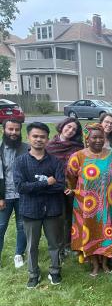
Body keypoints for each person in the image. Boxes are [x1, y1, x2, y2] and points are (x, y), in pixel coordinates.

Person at [66, 123, 112, 276]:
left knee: (107, 230)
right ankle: (94, 264)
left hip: (109, 202)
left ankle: (105, 262)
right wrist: (75, 190)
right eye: (94, 137)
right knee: (90, 231)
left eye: (101, 137)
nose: (98, 140)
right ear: (87, 138)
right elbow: (70, 178)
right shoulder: (78, 157)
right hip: (86, 204)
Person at [13, 122, 64, 288]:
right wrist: (46, 183)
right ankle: (33, 274)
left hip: (52, 210)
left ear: (47, 139)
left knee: (54, 244)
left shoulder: (55, 162)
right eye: (35, 136)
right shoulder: (20, 162)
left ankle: (55, 271)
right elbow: (20, 187)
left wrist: (34, 186)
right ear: (28, 137)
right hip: (30, 210)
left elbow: (60, 186)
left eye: (42, 136)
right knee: (32, 245)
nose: (39, 139)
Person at [46, 118, 84, 258]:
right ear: (62, 126)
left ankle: (70, 244)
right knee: (58, 217)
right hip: (55, 187)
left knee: (71, 216)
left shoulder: (78, 147)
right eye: (69, 127)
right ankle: (59, 246)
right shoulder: (50, 146)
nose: (70, 131)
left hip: (73, 187)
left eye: (74, 129)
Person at [0, 119, 29, 268]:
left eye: (17, 130)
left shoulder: (26, 148)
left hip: (22, 196)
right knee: (1, 226)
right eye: (10, 129)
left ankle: (19, 254)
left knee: (22, 226)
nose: (13, 133)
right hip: (4, 196)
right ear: (4, 130)